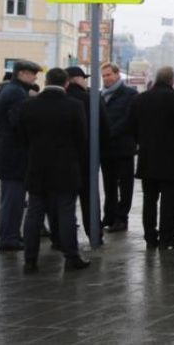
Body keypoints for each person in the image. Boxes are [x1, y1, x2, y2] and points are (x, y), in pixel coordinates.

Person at [17, 67, 89, 272]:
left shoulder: (28, 105)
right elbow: (81, 138)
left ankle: (30, 260)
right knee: (66, 212)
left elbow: (22, 137)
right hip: (65, 167)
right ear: (66, 83)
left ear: (47, 81)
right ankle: (71, 256)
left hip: (37, 166)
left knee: (34, 213)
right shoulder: (74, 106)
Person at [124, 67, 174, 250]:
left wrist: (142, 141)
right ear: (171, 80)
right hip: (171, 158)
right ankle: (167, 238)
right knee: (169, 201)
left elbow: (129, 126)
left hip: (147, 158)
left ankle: (150, 237)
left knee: (149, 200)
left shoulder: (140, 99)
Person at [0, 60, 40, 251]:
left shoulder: (13, 90)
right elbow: (18, 123)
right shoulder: (16, 93)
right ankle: (9, 238)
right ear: (21, 73)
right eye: (32, 73)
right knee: (13, 199)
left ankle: (10, 234)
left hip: (11, 152)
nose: (35, 77)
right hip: (15, 154)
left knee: (12, 198)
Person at [65, 66, 109, 243]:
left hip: (64, 157)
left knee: (64, 199)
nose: (86, 81)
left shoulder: (62, 99)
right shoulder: (91, 99)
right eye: (84, 78)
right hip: (88, 156)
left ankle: (63, 237)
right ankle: (95, 234)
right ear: (76, 79)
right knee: (90, 196)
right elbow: (105, 129)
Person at [100, 62, 138, 231]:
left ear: (117, 75)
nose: (106, 78)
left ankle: (122, 218)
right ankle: (109, 216)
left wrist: (110, 132)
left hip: (123, 147)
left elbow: (129, 119)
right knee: (108, 185)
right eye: (103, 76)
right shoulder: (101, 95)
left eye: (108, 75)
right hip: (106, 148)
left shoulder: (130, 94)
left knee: (125, 185)